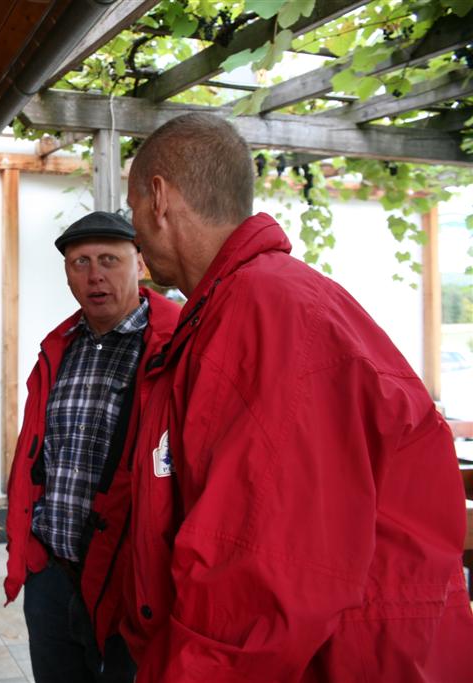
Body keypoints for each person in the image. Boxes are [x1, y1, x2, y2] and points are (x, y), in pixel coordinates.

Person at [121, 112, 473, 681]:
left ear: (159, 198)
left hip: (347, 661)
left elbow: (259, 576)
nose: (133, 226)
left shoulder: (266, 314)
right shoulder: (246, 304)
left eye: (132, 205)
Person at [3, 212, 180, 682]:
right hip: (53, 574)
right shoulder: (60, 346)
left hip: (130, 579)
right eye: (79, 262)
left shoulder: (175, 344)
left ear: (139, 263)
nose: (94, 275)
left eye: (109, 260)